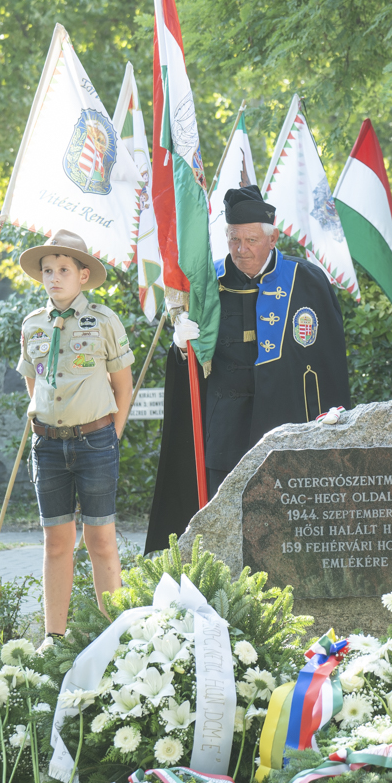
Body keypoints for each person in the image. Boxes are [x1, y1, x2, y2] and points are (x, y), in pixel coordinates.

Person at [144, 185, 351, 550]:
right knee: (224, 525)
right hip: (224, 429)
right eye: (234, 239)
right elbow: (189, 368)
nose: (242, 250)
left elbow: (328, 363)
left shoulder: (308, 281)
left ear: (272, 238)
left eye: (251, 239)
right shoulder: (206, 284)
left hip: (286, 426)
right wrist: (179, 349)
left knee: (283, 527)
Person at [16, 230, 133, 636]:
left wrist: (110, 438)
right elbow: (35, 384)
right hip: (47, 446)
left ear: (84, 275)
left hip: (95, 442)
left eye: (63, 269)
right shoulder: (32, 325)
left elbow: (123, 387)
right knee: (56, 543)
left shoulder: (102, 321)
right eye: (48, 270)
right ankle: (55, 638)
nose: (54, 278)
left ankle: (116, 638)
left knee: (101, 541)